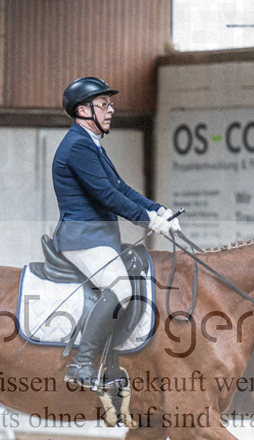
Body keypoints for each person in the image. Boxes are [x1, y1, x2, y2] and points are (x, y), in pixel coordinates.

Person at [52, 76, 180, 390]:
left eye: (110, 104)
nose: (111, 110)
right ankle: (82, 364)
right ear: (83, 110)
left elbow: (120, 188)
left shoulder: (91, 144)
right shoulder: (78, 146)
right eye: (103, 105)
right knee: (120, 288)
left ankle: (112, 361)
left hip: (98, 237)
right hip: (82, 239)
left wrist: (158, 210)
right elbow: (106, 196)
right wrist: (147, 220)